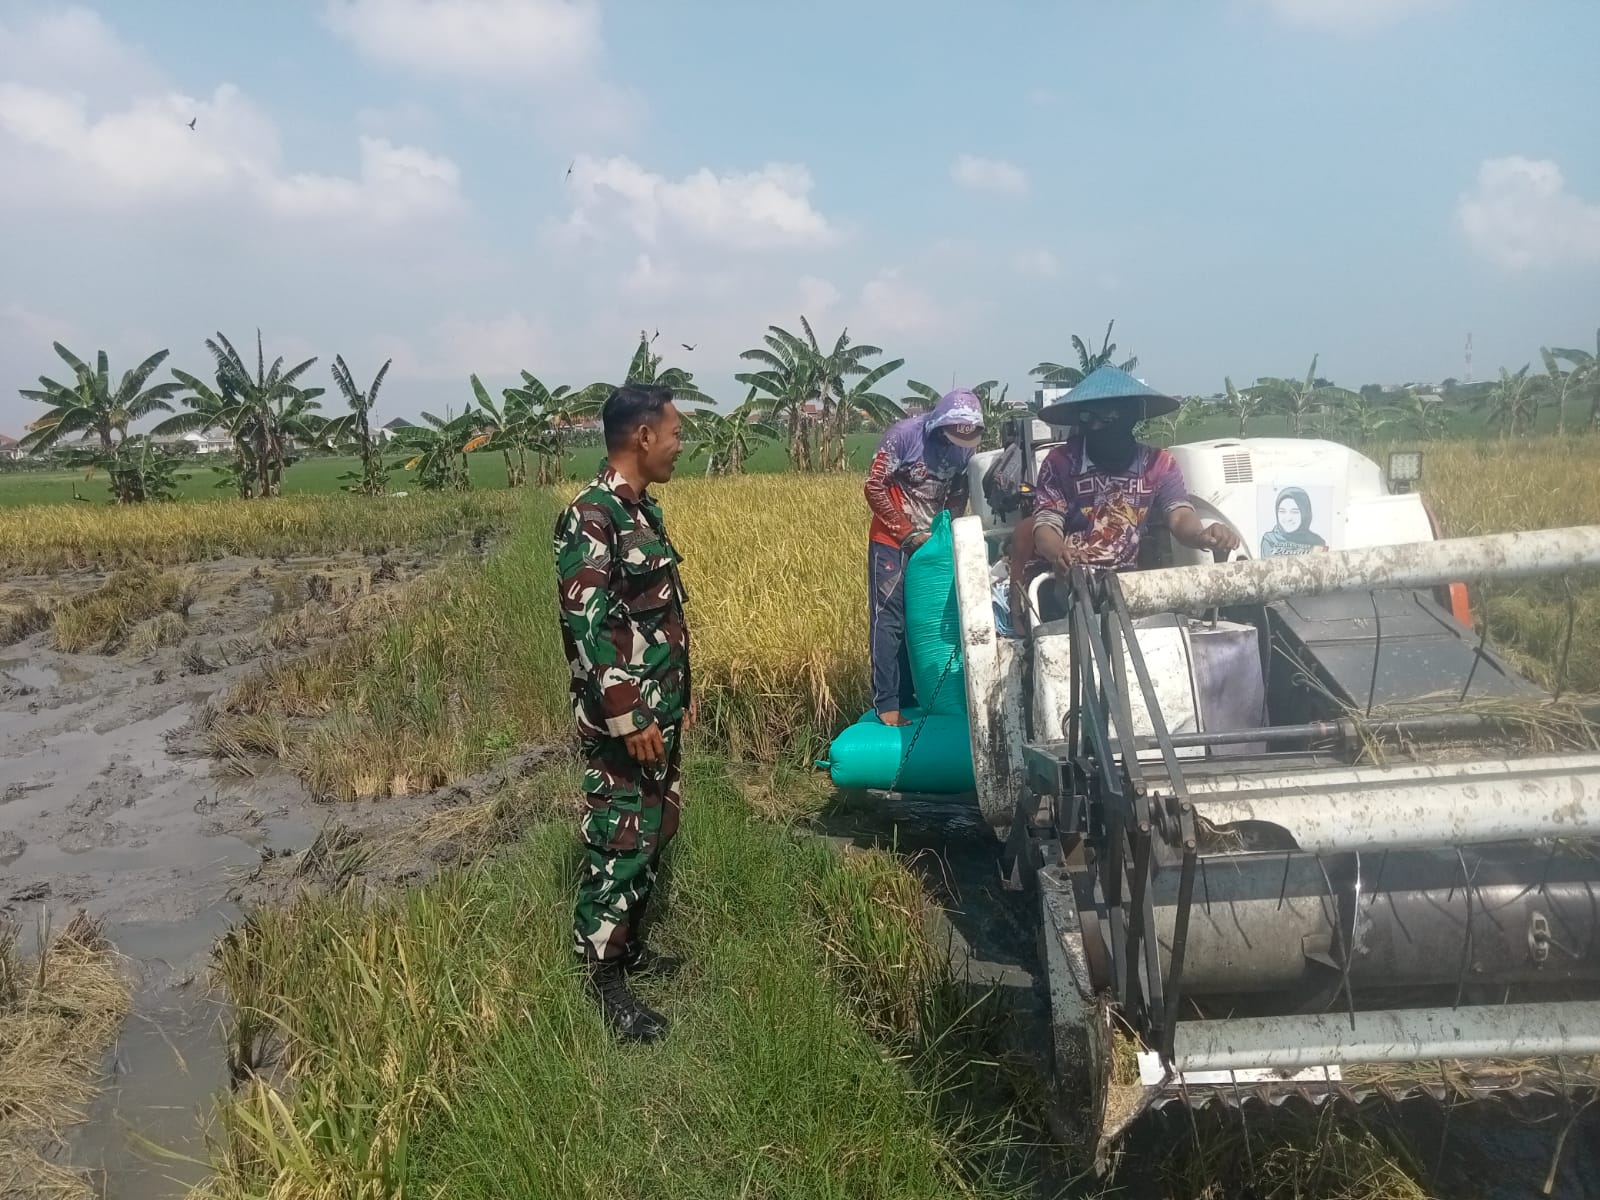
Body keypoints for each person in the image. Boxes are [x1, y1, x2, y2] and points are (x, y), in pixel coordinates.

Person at [553, 382, 693, 1044]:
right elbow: (586, 627)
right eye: (673, 433)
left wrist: (676, 702)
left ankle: (628, 949)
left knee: (655, 828)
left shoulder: (643, 513)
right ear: (642, 436)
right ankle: (601, 981)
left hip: (659, 709)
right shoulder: (592, 516)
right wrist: (629, 715)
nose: (678, 444)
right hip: (627, 721)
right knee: (620, 839)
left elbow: (657, 615)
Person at [1023, 366, 1238, 617]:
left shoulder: (1159, 463)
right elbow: (1046, 525)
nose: (1100, 427)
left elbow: (1179, 515)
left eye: (1111, 417)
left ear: (1132, 417)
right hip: (1066, 581)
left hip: (1127, 584)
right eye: (1089, 418)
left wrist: (1202, 535)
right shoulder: (1060, 462)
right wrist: (1060, 553)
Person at [863, 389, 985, 726]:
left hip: (932, 542)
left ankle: (924, 691)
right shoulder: (904, 437)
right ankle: (889, 701)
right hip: (892, 539)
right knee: (890, 617)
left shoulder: (965, 450)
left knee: (931, 617)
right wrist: (906, 533)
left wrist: (945, 532)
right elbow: (874, 486)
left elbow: (959, 490)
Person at [1260, 486, 1328, 557]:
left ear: (1305, 513)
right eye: (1282, 511)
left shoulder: (1317, 542)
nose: (1288, 518)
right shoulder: (1270, 540)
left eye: (1295, 512)